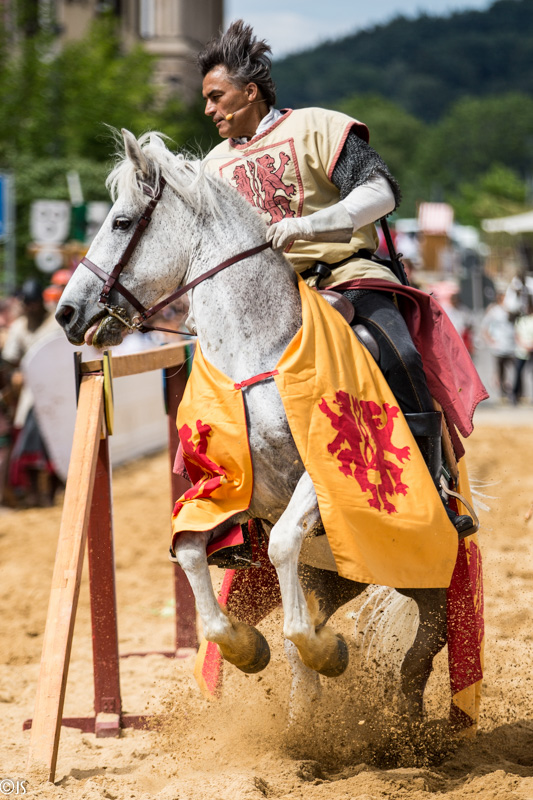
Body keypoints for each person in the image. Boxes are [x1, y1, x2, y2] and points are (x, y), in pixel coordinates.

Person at [197, 20, 476, 535]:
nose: (208, 109)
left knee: (399, 352)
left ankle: (438, 486)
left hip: (345, 271)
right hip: (266, 294)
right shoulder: (211, 168)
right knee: (208, 385)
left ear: (250, 91)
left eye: (217, 97)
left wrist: (308, 224)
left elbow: (382, 193)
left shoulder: (317, 127)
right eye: (207, 100)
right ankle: (229, 520)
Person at [1, 278, 60, 506]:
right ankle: (35, 495)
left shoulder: (56, 322)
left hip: (58, 392)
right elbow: (10, 359)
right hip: (32, 394)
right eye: (29, 304)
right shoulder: (19, 326)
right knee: (29, 445)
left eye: (35, 303)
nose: (32, 308)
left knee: (55, 445)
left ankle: (51, 494)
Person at [480, 291, 516, 401]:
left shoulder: (511, 311)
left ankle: (515, 391)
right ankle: (502, 393)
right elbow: (484, 327)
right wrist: (490, 340)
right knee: (501, 371)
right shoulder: (494, 311)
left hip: (512, 346)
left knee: (515, 369)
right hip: (499, 346)